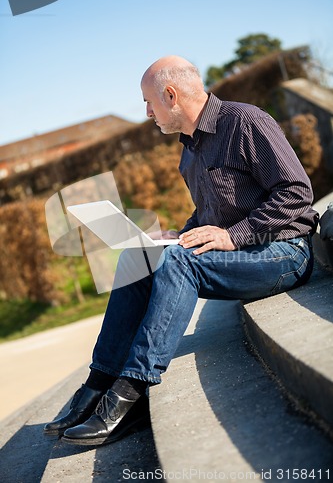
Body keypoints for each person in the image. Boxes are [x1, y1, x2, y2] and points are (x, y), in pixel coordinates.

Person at [44, 55, 318, 446]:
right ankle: (99, 382)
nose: (146, 112)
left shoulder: (245, 121)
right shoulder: (189, 150)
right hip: (242, 256)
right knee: (138, 257)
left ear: (170, 95)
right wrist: (179, 234)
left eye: (148, 102)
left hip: (285, 252)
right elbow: (212, 212)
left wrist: (234, 236)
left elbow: (296, 192)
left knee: (177, 263)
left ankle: (132, 392)